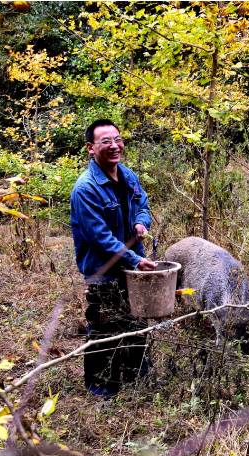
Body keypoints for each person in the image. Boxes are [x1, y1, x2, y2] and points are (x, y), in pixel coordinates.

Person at [70, 119, 157, 398]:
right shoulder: (85, 189)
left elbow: (143, 205)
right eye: (105, 141)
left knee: (135, 319)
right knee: (104, 326)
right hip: (104, 269)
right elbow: (100, 239)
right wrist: (134, 260)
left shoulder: (128, 176)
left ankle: (135, 376)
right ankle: (101, 387)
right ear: (90, 148)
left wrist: (142, 223)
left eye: (117, 139)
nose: (114, 146)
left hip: (133, 265)